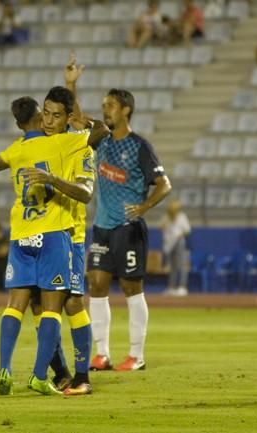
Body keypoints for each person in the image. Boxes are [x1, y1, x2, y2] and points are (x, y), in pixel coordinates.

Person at [0, 96, 103, 396]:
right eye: (47, 114)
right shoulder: (56, 143)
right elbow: (101, 130)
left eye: (56, 115)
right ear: (40, 115)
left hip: (64, 231)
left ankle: (80, 376)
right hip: (53, 232)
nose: (49, 120)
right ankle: (58, 373)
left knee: (70, 303)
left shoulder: (53, 144)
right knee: (45, 305)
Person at [87, 88, 172, 372]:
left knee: (130, 287)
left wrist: (145, 207)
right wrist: (70, 83)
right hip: (101, 226)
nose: (105, 110)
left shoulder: (139, 147)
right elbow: (74, 118)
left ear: (125, 110)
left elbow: (164, 184)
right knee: (97, 285)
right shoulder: (101, 142)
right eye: (103, 105)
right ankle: (102, 354)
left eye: (110, 105)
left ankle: (137, 355)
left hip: (128, 227)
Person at [160, 199, 191, 296]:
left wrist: (179, 235)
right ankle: (171, 287)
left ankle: (182, 287)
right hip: (169, 244)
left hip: (179, 243)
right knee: (172, 266)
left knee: (182, 265)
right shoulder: (167, 217)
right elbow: (160, 227)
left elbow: (187, 230)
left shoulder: (182, 217)